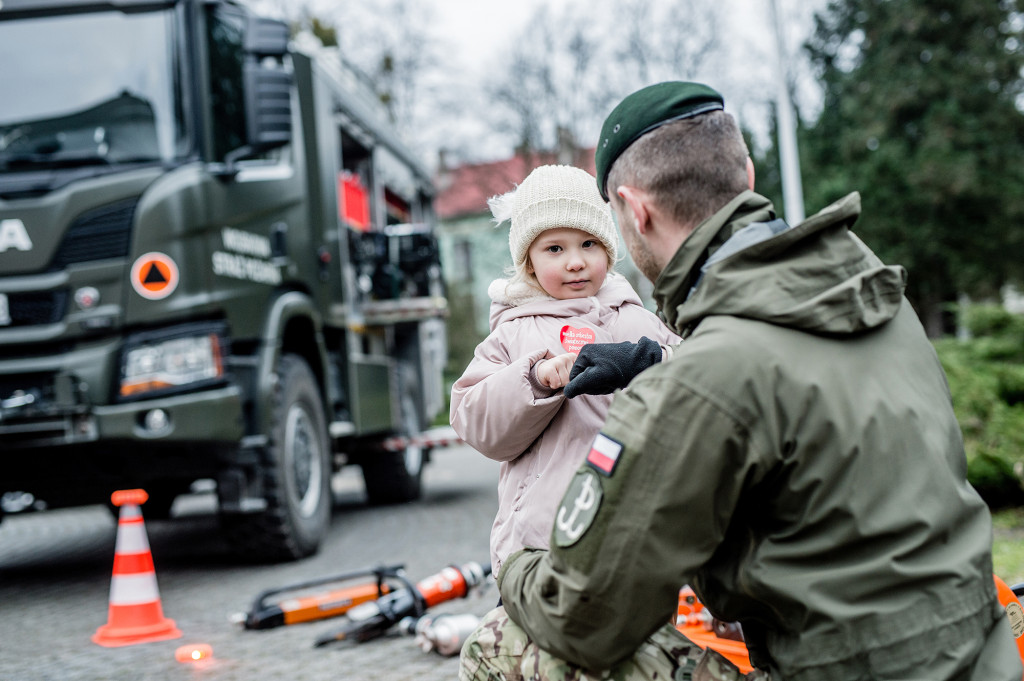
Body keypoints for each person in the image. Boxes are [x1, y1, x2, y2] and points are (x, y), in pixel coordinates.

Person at [460, 83, 1024, 681]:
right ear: (748, 175)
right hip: (977, 656)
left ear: (635, 210)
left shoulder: (706, 376)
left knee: (501, 639)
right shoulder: (875, 294)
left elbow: (583, 618)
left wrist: (517, 564)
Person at [450, 164, 680, 581]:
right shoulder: (514, 333)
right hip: (541, 545)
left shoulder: (638, 323)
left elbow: (697, 374)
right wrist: (536, 378)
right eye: (554, 249)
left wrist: (652, 359)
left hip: (634, 541)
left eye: (588, 243)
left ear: (608, 250)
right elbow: (472, 418)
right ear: (529, 262)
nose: (575, 262)